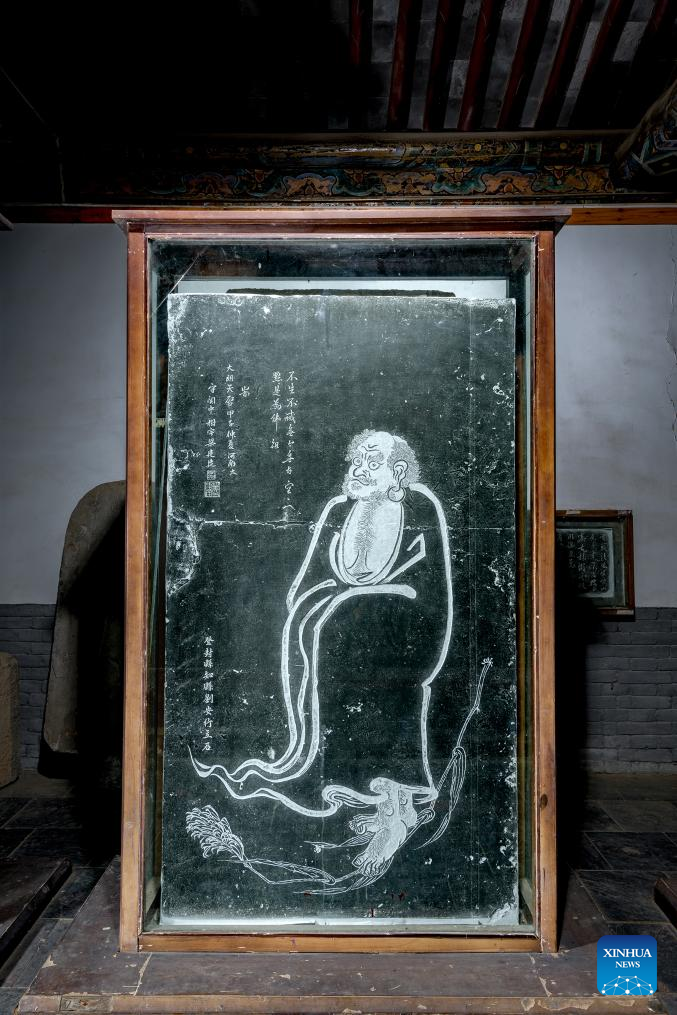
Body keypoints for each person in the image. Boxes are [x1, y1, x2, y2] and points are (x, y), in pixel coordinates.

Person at [192, 430, 453, 885]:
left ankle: (396, 809)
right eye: (357, 460)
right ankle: (380, 799)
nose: (360, 469)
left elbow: (430, 590)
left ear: (397, 471)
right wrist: (327, 602)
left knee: (340, 623)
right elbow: (306, 584)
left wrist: (353, 602)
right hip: (346, 624)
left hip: (410, 626)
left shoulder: (420, 506)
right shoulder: (338, 510)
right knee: (320, 621)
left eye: (372, 461)